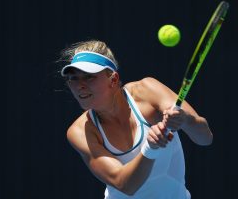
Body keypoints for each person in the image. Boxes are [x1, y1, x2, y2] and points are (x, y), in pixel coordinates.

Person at [60, 40, 213, 199]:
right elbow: (124, 184)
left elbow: (205, 138)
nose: (79, 85)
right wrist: (150, 148)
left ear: (113, 79)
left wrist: (186, 120)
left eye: (88, 77)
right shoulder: (80, 131)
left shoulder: (147, 91)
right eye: (73, 78)